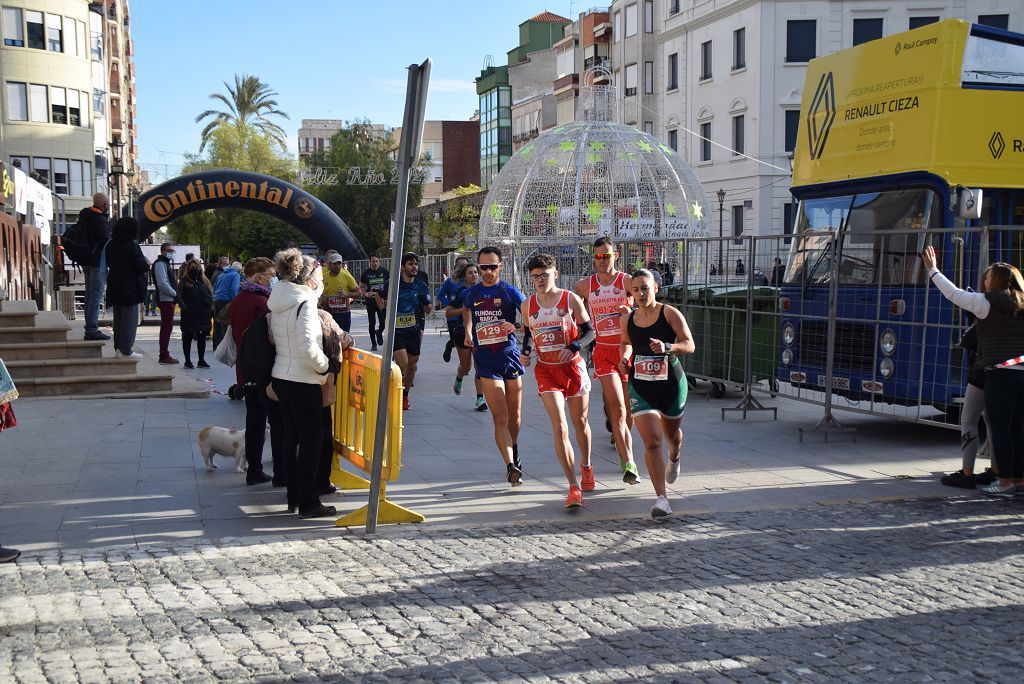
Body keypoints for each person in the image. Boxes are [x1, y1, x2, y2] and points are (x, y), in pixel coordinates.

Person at [923, 245, 1024, 497]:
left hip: (1000, 372)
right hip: (1022, 370)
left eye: (988, 277)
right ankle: (1019, 479)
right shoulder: (1022, 302)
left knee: (999, 428)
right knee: (1017, 429)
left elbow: (953, 294)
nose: (985, 281)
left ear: (997, 280)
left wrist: (933, 270)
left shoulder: (985, 302)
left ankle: (1005, 481)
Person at [619, 269, 695, 518]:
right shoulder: (627, 319)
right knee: (652, 440)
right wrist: (624, 358)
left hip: (671, 384)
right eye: (636, 289)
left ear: (656, 288)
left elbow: (689, 344)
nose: (640, 293)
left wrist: (668, 346)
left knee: (671, 436)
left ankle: (675, 457)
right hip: (641, 385)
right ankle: (662, 499)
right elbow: (626, 343)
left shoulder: (669, 313)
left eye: (645, 288)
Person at [521, 253, 595, 508]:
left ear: (555, 274)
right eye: (535, 277)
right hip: (547, 370)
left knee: (580, 422)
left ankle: (586, 466)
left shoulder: (570, 299)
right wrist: (527, 352)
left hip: (572, 368)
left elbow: (589, 332)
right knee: (560, 427)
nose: (539, 281)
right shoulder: (527, 305)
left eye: (544, 275)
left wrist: (574, 347)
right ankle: (573, 487)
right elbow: (529, 334)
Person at [268, 248, 335, 518]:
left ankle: (294, 495)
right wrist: (325, 367)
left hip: (283, 375)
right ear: (309, 280)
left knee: (290, 438)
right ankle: (309, 502)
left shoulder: (282, 299)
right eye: (319, 277)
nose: (321, 283)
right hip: (302, 378)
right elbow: (307, 346)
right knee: (311, 442)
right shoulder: (305, 303)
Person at [574, 237, 641, 486]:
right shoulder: (584, 286)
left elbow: (642, 304)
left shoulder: (625, 281)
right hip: (603, 352)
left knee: (628, 410)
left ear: (616, 255)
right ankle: (629, 464)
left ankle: (621, 436)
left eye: (607, 256)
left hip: (627, 350)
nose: (602, 261)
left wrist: (631, 311)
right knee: (618, 410)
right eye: (598, 257)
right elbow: (575, 314)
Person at [462, 246, 527, 485]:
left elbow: (530, 317)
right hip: (486, 360)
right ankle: (510, 465)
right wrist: (468, 331)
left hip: (509, 356)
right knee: (499, 416)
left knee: (515, 416)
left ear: (501, 266)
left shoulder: (509, 292)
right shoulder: (473, 292)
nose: (488, 272)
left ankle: (514, 447)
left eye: (492, 267)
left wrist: (516, 326)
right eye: (483, 267)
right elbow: (467, 311)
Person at [229, 257, 283, 486]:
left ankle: (254, 468)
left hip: (246, 370)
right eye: (271, 275)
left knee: (254, 422)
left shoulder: (239, 298)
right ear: (259, 277)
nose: (274, 280)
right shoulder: (261, 303)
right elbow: (270, 339)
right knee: (277, 422)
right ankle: (280, 470)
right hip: (265, 372)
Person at [371, 253, 431, 410]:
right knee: (403, 363)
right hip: (396, 330)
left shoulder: (420, 285)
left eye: (416, 264)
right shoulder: (393, 284)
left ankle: (405, 394)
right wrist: (384, 311)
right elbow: (378, 295)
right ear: (403, 267)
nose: (414, 267)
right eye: (410, 264)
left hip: (413, 330)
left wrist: (426, 303)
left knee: (412, 364)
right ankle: (394, 388)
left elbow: (429, 309)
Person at [940, 324, 996, 489]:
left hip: (981, 371)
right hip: (1003, 371)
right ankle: (996, 471)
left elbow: (967, 339)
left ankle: (967, 473)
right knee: (992, 421)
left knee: (968, 420)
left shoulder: (987, 310)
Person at [103, 217, 149, 360]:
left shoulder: (110, 245)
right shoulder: (132, 245)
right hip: (130, 287)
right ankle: (126, 350)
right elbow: (142, 266)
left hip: (114, 284)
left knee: (118, 319)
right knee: (129, 320)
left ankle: (118, 348)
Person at [445, 263, 487, 410]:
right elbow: (448, 312)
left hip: (480, 331)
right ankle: (459, 376)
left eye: (476, 272)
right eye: (470, 273)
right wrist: (463, 310)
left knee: (479, 365)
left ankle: (480, 399)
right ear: (464, 276)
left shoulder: (484, 290)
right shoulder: (460, 292)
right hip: (461, 332)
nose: (474, 275)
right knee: (466, 367)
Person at [79, 192, 112, 341]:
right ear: (103, 204)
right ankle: (91, 329)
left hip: (85, 260)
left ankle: (89, 327)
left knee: (89, 295)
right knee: (95, 296)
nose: (108, 206)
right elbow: (106, 240)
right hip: (97, 261)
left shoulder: (85, 216)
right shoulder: (98, 219)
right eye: (107, 204)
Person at [177, 259, 214, 369]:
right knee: (188, 337)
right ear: (188, 268)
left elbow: (210, 294)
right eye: (192, 267)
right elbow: (179, 295)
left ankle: (201, 360)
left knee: (202, 337)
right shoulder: (184, 281)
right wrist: (184, 307)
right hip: (189, 313)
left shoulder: (204, 281)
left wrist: (209, 305)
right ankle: (187, 361)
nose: (195, 269)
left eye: (197, 267)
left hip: (203, 313)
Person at [438, 256, 470, 362]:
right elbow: (440, 296)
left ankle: (465, 364)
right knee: (457, 340)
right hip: (454, 317)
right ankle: (449, 346)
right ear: (455, 267)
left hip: (468, 317)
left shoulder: (471, 280)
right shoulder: (450, 281)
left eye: (465, 266)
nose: (463, 268)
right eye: (461, 266)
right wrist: (451, 305)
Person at [152, 243, 179, 364]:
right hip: (166, 299)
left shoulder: (164, 263)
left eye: (172, 250)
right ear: (162, 251)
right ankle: (164, 355)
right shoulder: (160, 264)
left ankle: (164, 353)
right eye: (169, 250)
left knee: (167, 328)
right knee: (166, 328)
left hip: (168, 299)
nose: (171, 252)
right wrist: (174, 293)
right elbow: (162, 284)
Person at [321, 253, 359, 333]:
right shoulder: (324, 277)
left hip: (343, 314)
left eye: (339, 263)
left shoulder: (346, 276)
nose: (337, 266)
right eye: (335, 263)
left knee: (344, 339)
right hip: (328, 314)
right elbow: (317, 293)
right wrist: (321, 298)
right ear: (330, 264)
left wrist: (347, 295)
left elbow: (359, 293)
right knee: (329, 341)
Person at [360, 255, 389, 351]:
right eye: (373, 261)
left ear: (379, 262)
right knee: (372, 322)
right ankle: (373, 343)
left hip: (381, 301)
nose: (375, 263)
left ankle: (379, 332)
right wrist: (365, 294)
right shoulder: (366, 273)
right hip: (371, 301)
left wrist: (387, 298)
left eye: (377, 261)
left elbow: (389, 285)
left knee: (383, 321)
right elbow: (361, 286)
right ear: (370, 262)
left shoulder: (384, 272)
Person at [212, 258, 241, 349]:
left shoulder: (221, 275)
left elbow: (215, 287)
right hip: (226, 300)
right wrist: (234, 301)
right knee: (226, 323)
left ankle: (216, 343)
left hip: (217, 299)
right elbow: (234, 289)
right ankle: (225, 346)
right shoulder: (235, 275)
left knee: (217, 322)